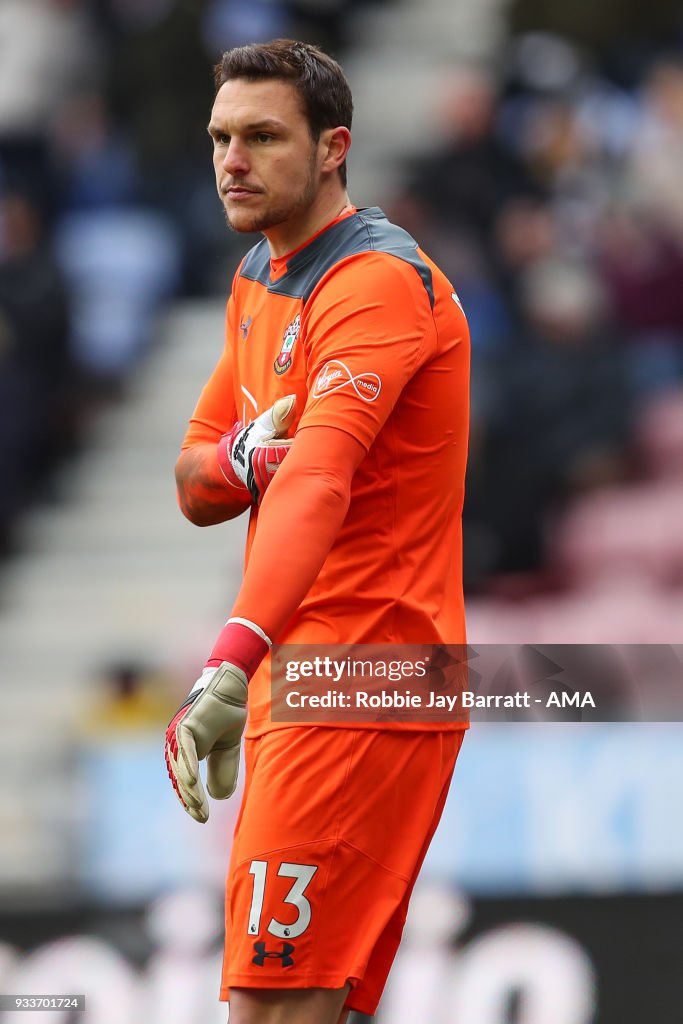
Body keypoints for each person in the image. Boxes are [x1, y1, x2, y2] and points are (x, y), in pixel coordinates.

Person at [165, 39, 470, 1024]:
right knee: (311, 1006)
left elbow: (319, 481)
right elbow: (197, 474)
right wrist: (244, 462)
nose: (231, 160)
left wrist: (228, 660)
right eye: (219, 137)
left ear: (332, 148)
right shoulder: (263, 270)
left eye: (260, 137)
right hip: (306, 671)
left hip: (361, 670)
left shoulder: (374, 284)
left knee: (269, 1007)